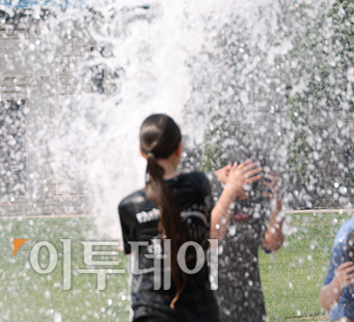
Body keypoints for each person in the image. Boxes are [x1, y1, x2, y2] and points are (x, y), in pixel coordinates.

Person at [118, 114, 259, 322]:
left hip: (150, 312)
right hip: (197, 312)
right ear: (179, 148)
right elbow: (212, 237)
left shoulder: (129, 206)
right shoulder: (197, 186)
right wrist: (230, 191)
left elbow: (131, 249)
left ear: (141, 152)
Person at [209, 150, 285, 322]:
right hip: (213, 298)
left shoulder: (257, 196)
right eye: (245, 185)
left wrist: (277, 203)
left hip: (250, 299)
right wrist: (230, 192)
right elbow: (210, 237)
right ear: (229, 173)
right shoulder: (210, 190)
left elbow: (272, 243)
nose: (249, 194)